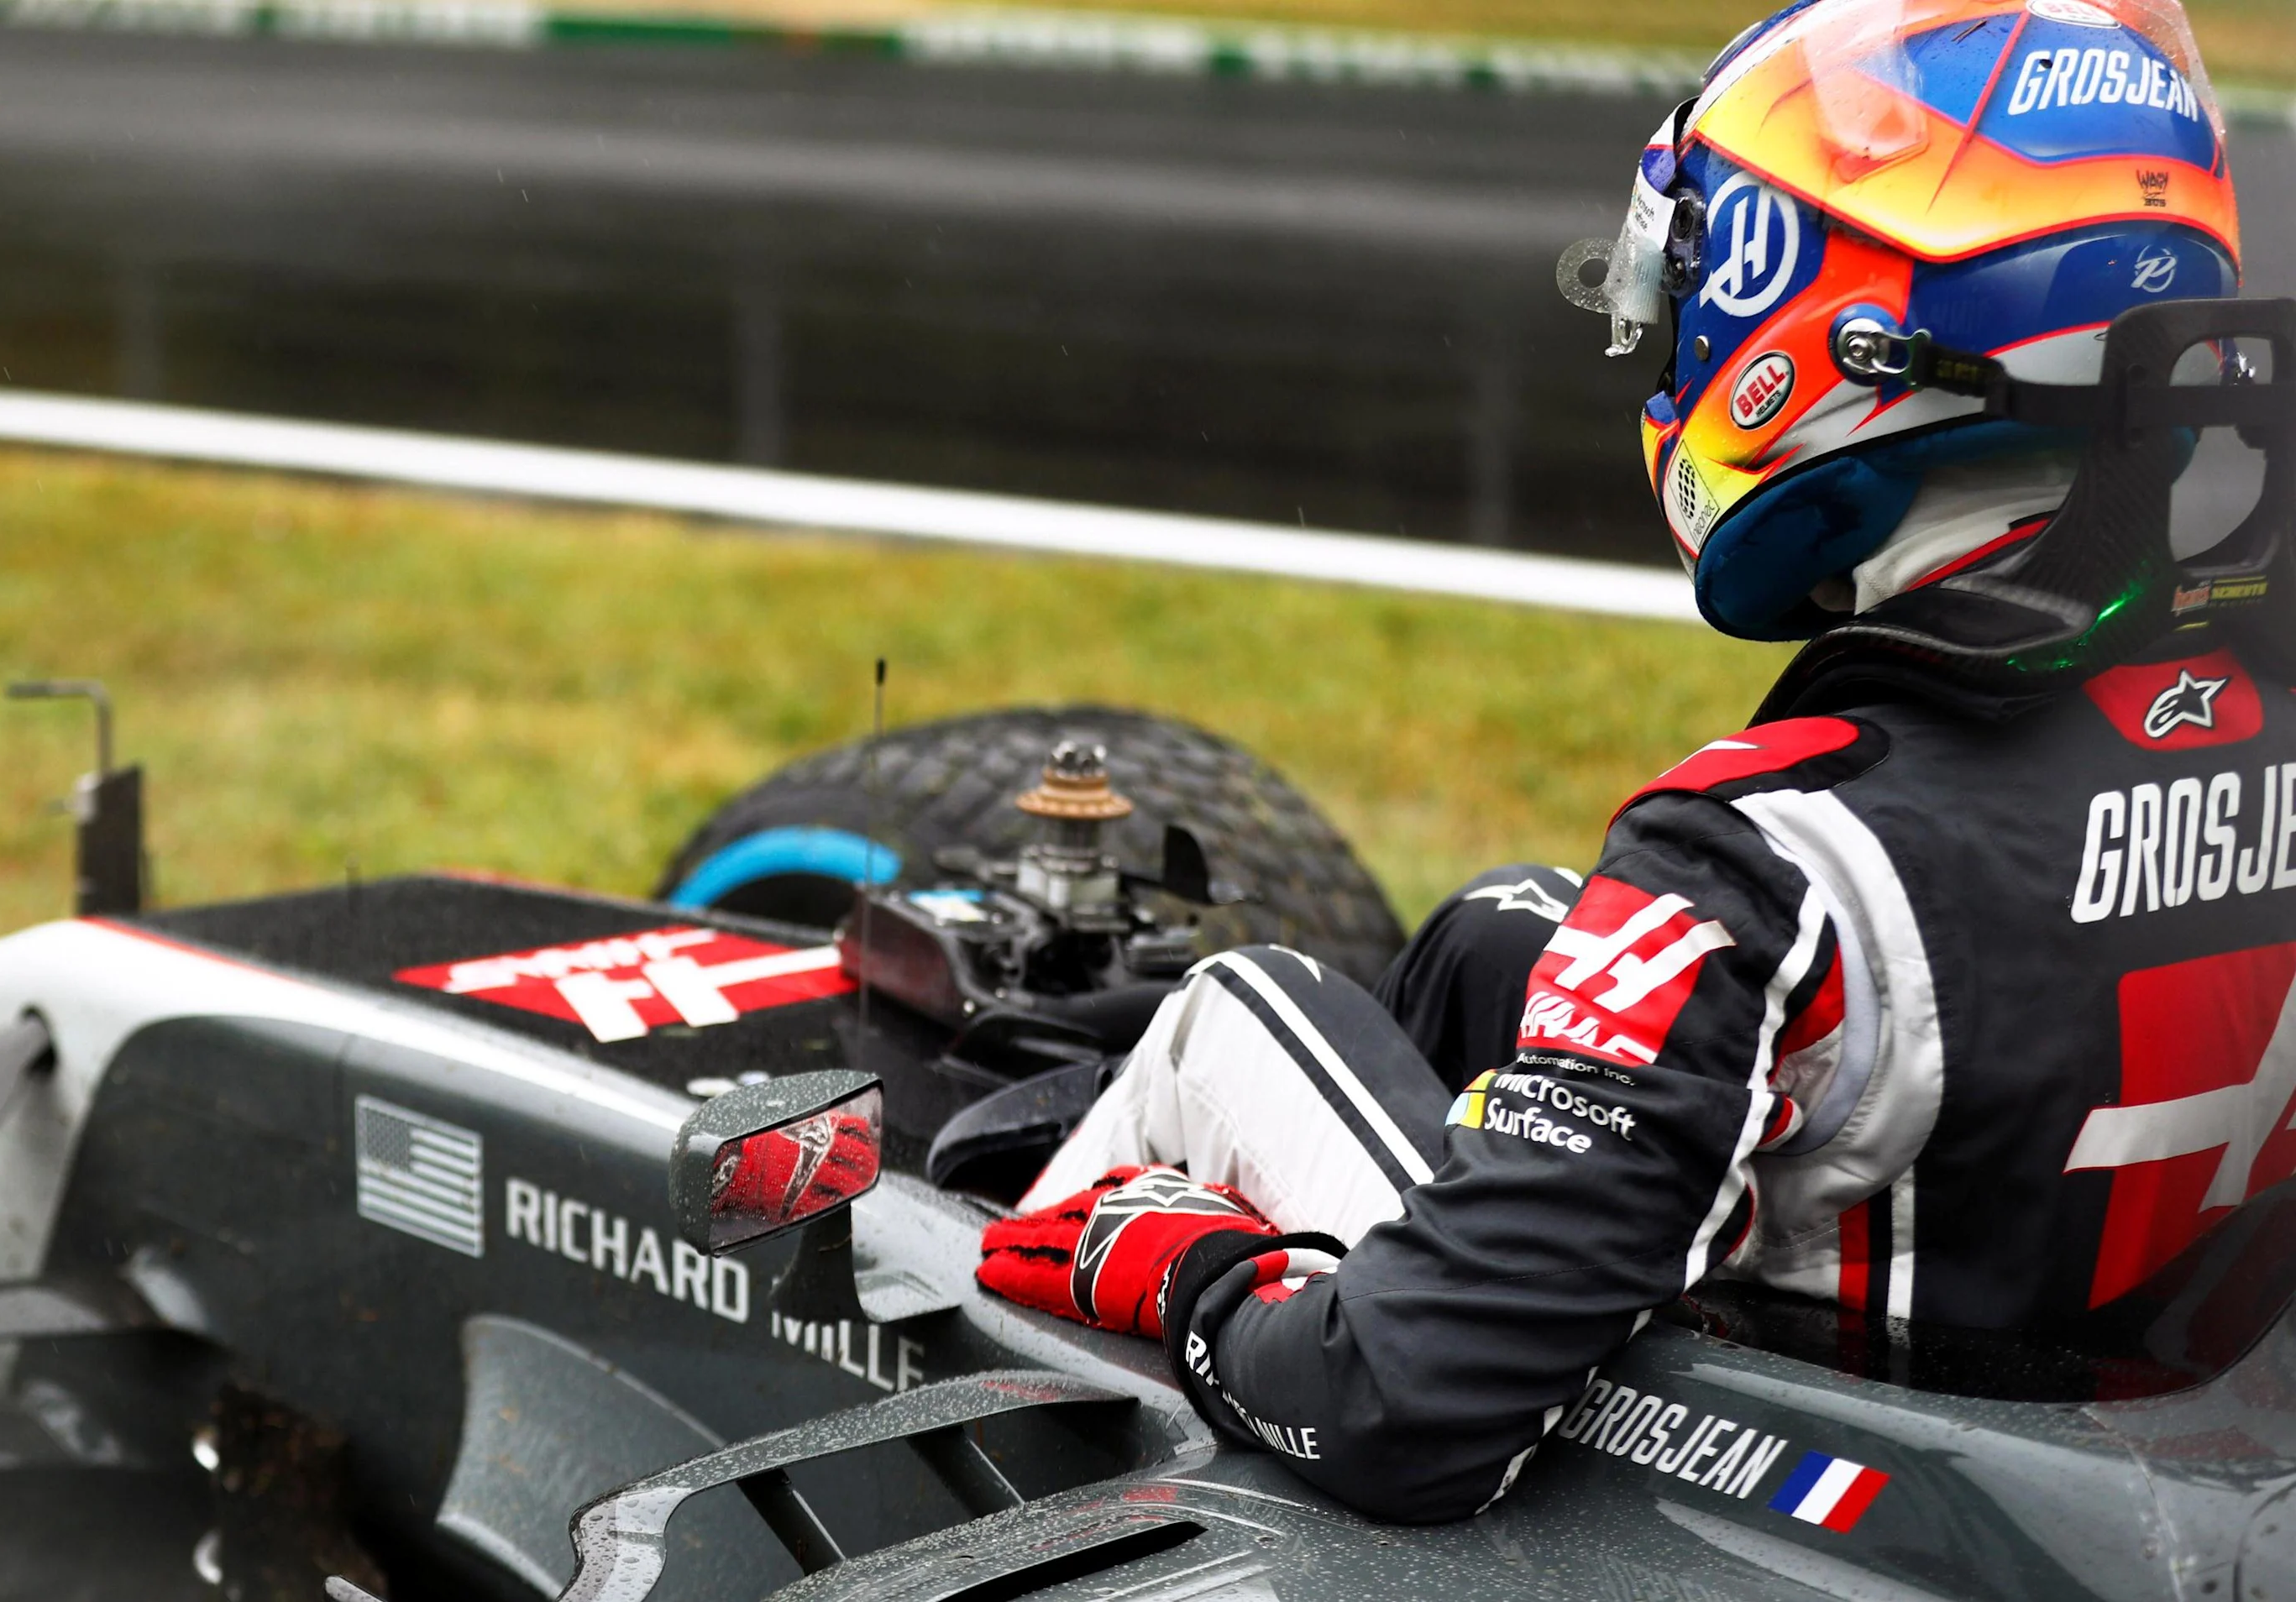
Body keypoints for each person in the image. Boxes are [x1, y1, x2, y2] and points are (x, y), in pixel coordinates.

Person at [974, 0, 2296, 1522]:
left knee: (1237, 1009)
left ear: (1841, 331)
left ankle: (969, 1284)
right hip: (2098, 1417)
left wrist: (1183, 1262)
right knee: (1493, 932)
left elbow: (1399, 1407)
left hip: (1783, 1469)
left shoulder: (1762, 855)